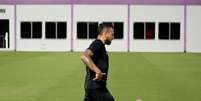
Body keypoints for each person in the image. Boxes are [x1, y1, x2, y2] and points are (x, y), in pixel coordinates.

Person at [81, 23, 115, 101]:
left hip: (93, 86)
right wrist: (98, 71)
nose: (113, 37)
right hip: (95, 87)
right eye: (112, 34)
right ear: (105, 33)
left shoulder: (101, 46)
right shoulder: (98, 44)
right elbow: (84, 56)